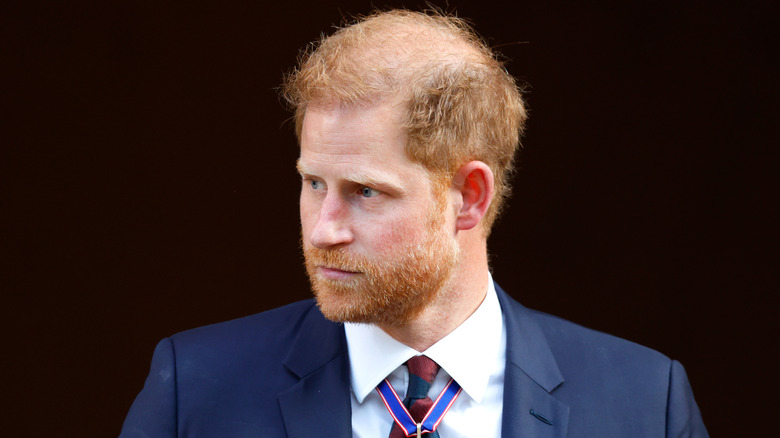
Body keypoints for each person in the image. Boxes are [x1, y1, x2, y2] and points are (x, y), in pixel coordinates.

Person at [119, 9, 708, 438]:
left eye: (366, 191)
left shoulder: (642, 404)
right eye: (313, 182)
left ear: (469, 197)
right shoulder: (194, 392)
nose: (324, 229)